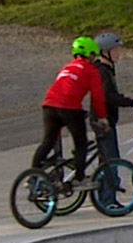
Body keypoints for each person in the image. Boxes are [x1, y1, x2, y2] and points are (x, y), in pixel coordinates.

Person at [31, 36, 109, 193]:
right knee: (81, 143)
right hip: (70, 107)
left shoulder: (66, 67)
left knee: (47, 141)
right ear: (91, 54)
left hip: (49, 104)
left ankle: (33, 176)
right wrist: (102, 117)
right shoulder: (90, 70)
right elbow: (97, 96)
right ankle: (80, 179)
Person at [91, 32, 133, 209]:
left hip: (105, 119)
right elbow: (108, 97)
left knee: (105, 159)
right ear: (104, 52)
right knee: (111, 160)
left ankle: (103, 196)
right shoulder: (103, 72)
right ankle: (107, 201)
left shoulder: (105, 70)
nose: (118, 53)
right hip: (103, 120)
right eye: (115, 50)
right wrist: (131, 102)